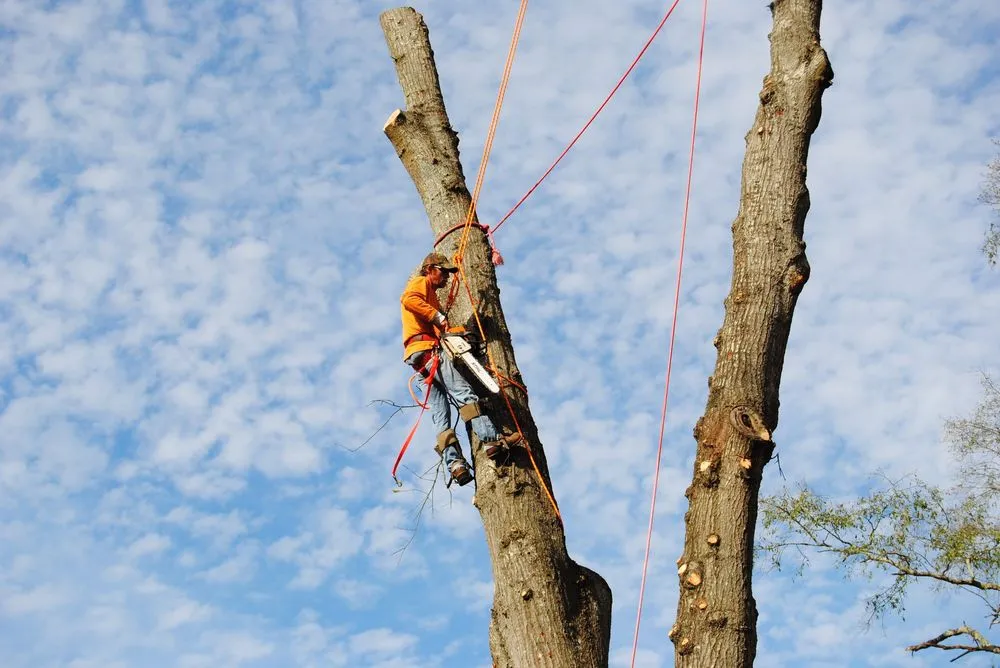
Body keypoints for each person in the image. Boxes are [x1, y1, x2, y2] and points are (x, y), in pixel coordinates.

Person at [400, 252, 521, 486]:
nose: (446, 278)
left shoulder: (431, 297)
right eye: (443, 272)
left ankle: (455, 465)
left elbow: (439, 329)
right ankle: (492, 440)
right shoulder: (421, 283)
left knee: (440, 416)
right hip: (428, 351)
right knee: (465, 394)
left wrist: (457, 332)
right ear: (430, 270)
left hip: (419, 359)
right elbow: (409, 300)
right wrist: (437, 316)